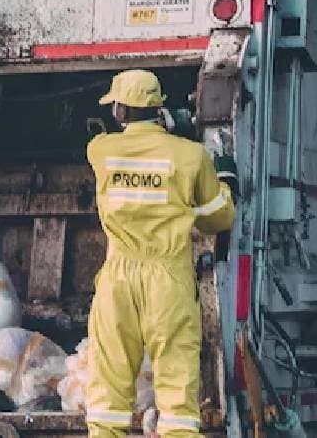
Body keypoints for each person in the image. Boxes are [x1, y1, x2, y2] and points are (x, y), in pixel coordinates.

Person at [85, 69, 237, 437]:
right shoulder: (190, 156)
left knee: (109, 385)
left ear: (121, 111)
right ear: (159, 108)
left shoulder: (100, 150)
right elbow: (217, 217)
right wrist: (226, 180)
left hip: (118, 278)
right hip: (168, 280)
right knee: (176, 387)